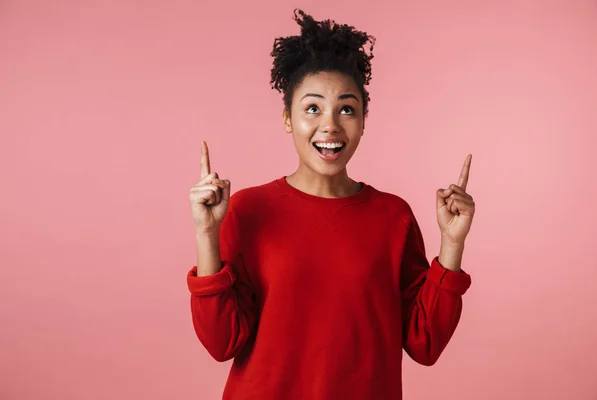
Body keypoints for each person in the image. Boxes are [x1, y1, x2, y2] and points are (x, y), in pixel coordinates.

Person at [186, 9, 475, 400]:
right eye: (312, 108)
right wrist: (207, 233)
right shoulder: (248, 209)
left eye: (347, 108)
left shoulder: (393, 217)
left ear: (363, 119)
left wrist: (452, 244)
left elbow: (425, 343)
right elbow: (222, 343)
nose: (331, 125)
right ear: (287, 118)